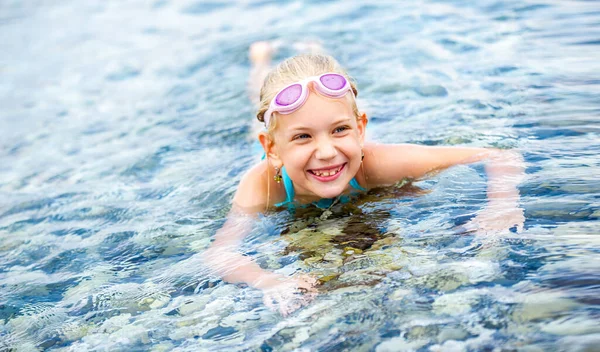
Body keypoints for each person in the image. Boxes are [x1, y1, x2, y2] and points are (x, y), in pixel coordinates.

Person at [204, 42, 525, 316]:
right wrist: (271, 281)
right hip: (272, 155)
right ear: (272, 148)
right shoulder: (263, 185)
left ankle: (313, 52)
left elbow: (498, 155)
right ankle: (260, 60)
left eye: (340, 129)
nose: (327, 152)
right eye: (303, 136)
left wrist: (501, 205)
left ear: (361, 130)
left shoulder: (376, 163)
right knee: (255, 107)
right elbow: (221, 253)